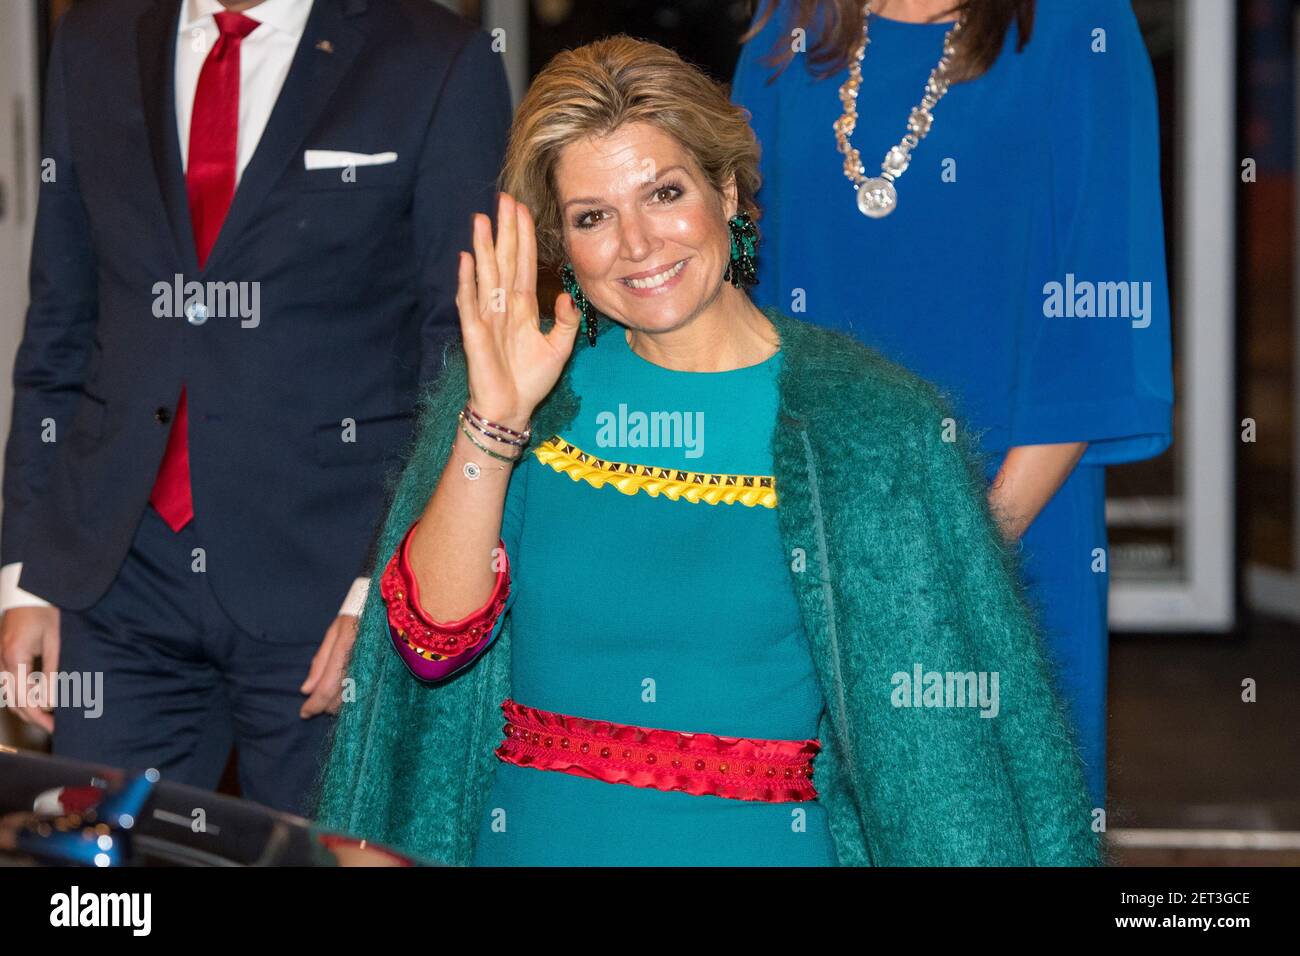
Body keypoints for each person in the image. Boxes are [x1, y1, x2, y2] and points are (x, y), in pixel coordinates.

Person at [313, 35, 1101, 866]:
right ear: (564, 243)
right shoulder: (520, 396)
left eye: (663, 193)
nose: (638, 243)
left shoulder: (873, 427)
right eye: (592, 217)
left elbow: (953, 774)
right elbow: (430, 644)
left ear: (726, 192)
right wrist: (495, 420)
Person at [0, 0, 510, 815]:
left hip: (329, 578)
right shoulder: (95, 36)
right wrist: (25, 576)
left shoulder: (435, 56)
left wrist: (384, 583)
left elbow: (456, 349)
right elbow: (62, 317)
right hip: (115, 575)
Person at [729, 0, 1175, 808]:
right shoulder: (787, 25)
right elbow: (739, 285)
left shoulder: (1078, 26)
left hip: (1010, 529)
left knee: (990, 819)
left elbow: (1098, 318)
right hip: (809, 524)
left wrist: (957, 560)